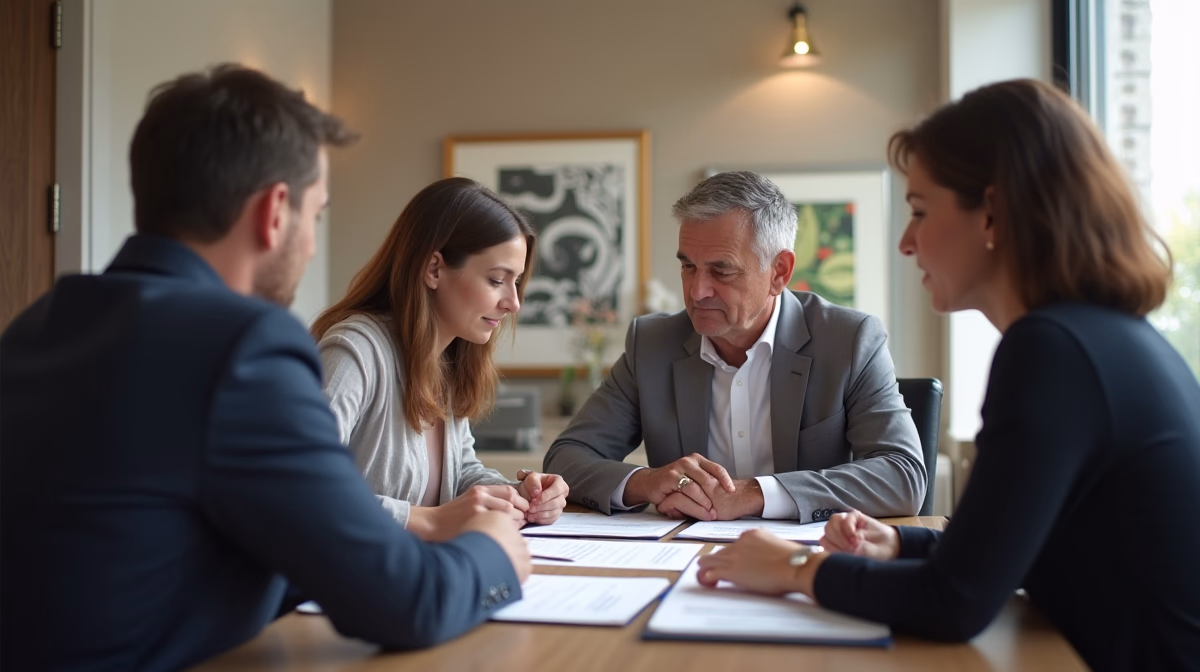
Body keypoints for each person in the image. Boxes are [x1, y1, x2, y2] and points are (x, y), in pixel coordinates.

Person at [0, 65, 530, 672]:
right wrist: (491, 553)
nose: (309, 243)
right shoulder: (244, 348)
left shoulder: (38, 325)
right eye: (316, 216)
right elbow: (404, 602)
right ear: (275, 211)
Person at [696, 79, 1200, 671]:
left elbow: (955, 602)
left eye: (919, 212)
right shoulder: (1102, 336)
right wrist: (901, 542)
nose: (907, 243)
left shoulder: (1052, 352)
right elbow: (1018, 548)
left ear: (991, 212)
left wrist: (794, 569)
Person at [544, 171, 926, 523]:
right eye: (688, 267)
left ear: (779, 272)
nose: (697, 291)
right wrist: (648, 482)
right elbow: (566, 457)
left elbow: (902, 474)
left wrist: (756, 493)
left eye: (721, 271)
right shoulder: (652, 344)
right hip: (678, 561)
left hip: (803, 563)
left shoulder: (849, 340)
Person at [312, 178, 569, 540]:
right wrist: (430, 521)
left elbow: (460, 474)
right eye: (497, 280)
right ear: (434, 269)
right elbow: (304, 487)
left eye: (517, 282)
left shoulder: (444, 358)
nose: (514, 303)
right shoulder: (354, 351)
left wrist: (519, 495)